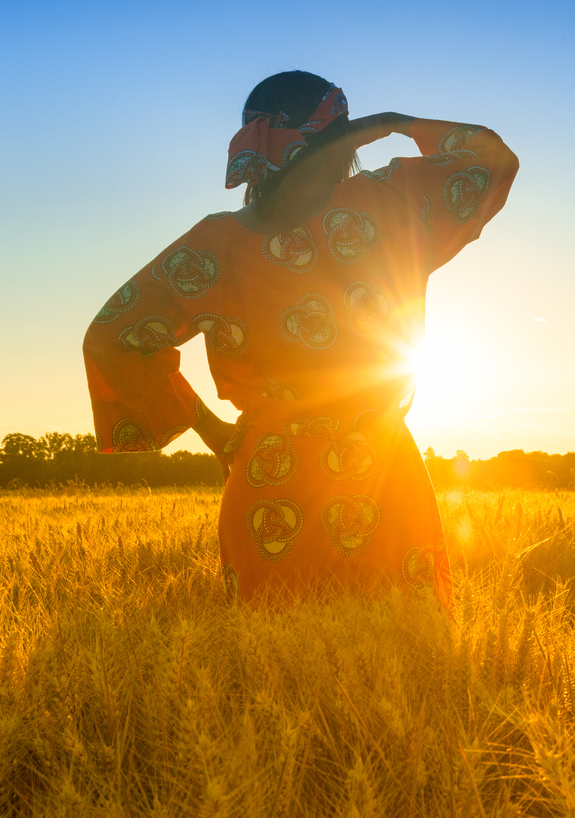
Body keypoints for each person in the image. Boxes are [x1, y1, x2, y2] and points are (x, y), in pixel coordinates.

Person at [82, 70, 518, 606]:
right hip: (381, 476)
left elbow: (113, 338)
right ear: (340, 141)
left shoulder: (215, 244)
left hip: (270, 487)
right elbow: (491, 160)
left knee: (276, 669)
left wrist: (217, 434)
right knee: (406, 661)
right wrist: (396, 125)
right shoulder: (391, 203)